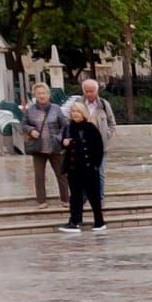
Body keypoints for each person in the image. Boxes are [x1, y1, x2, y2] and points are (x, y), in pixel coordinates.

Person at [58, 99, 107, 235]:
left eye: (78, 111)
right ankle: (74, 221)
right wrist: (64, 143)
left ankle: (99, 221)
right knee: (75, 197)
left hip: (89, 168)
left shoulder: (91, 128)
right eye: (73, 111)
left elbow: (99, 148)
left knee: (93, 196)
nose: (75, 114)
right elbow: (62, 143)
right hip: (74, 169)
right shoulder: (68, 127)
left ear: (83, 113)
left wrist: (95, 165)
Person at [21, 82, 69, 205]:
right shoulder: (30, 110)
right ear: (35, 95)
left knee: (61, 174)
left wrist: (59, 137)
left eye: (44, 93)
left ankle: (65, 199)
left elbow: (64, 126)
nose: (41, 96)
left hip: (55, 146)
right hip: (38, 146)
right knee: (39, 175)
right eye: (39, 93)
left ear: (48, 94)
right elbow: (24, 124)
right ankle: (41, 201)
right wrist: (31, 130)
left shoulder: (56, 108)